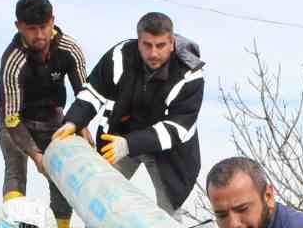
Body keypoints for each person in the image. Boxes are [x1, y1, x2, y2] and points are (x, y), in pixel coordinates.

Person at [53, 12, 204, 215]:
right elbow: (93, 91)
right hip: (120, 136)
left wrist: (129, 144)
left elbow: (178, 128)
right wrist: (73, 122)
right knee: (101, 196)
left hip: (169, 152)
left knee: (168, 212)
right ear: (138, 40)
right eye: (147, 45)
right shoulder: (120, 55)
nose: (153, 53)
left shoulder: (191, 73)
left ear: (172, 43)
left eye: (160, 45)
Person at [0, 0, 89, 228]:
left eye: (43, 27)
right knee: (16, 168)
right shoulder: (13, 61)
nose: (39, 35)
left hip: (53, 120)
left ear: (52, 21)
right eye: (31, 29)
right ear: (19, 27)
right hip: (15, 120)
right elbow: (11, 118)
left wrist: (81, 125)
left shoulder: (69, 49)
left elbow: (85, 94)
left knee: (61, 182)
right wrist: (36, 155)